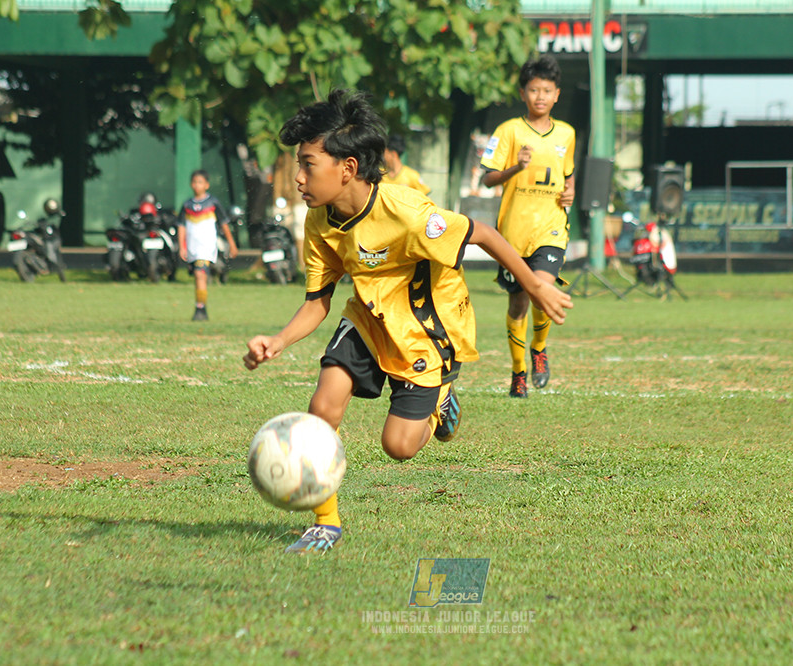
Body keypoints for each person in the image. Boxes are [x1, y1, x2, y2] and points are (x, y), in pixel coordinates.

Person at [242, 90, 572, 554]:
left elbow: (484, 234)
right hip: (367, 319)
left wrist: (536, 286)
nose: (297, 178)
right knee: (324, 406)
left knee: (398, 447)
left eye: (308, 165)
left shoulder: (407, 212)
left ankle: (441, 400)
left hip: (425, 331)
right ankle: (325, 522)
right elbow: (318, 301)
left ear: (348, 168)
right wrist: (278, 340)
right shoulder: (319, 222)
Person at [479, 55, 575, 398]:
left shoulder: (567, 133)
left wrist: (571, 189)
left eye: (546, 91)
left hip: (551, 228)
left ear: (556, 95)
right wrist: (515, 169)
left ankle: (540, 349)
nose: (540, 97)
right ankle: (518, 371)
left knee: (542, 288)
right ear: (523, 93)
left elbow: (567, 173)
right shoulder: (508, 131)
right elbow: (488, 178)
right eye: (533, 90)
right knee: (518, 303)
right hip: (512, 234)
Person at [177, 170, 238, 321]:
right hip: (192, 247)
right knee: (198, 275)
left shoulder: (213, 203)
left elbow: (224, 223)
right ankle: (201, 306)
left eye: (200, 182)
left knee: (200, 274)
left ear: (206, 185)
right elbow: (181, 226)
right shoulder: (187, 205)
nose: (197, 185)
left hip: (207, 246)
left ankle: (200, 309)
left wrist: (232, 243)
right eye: (195, 182)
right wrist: (182, 246)